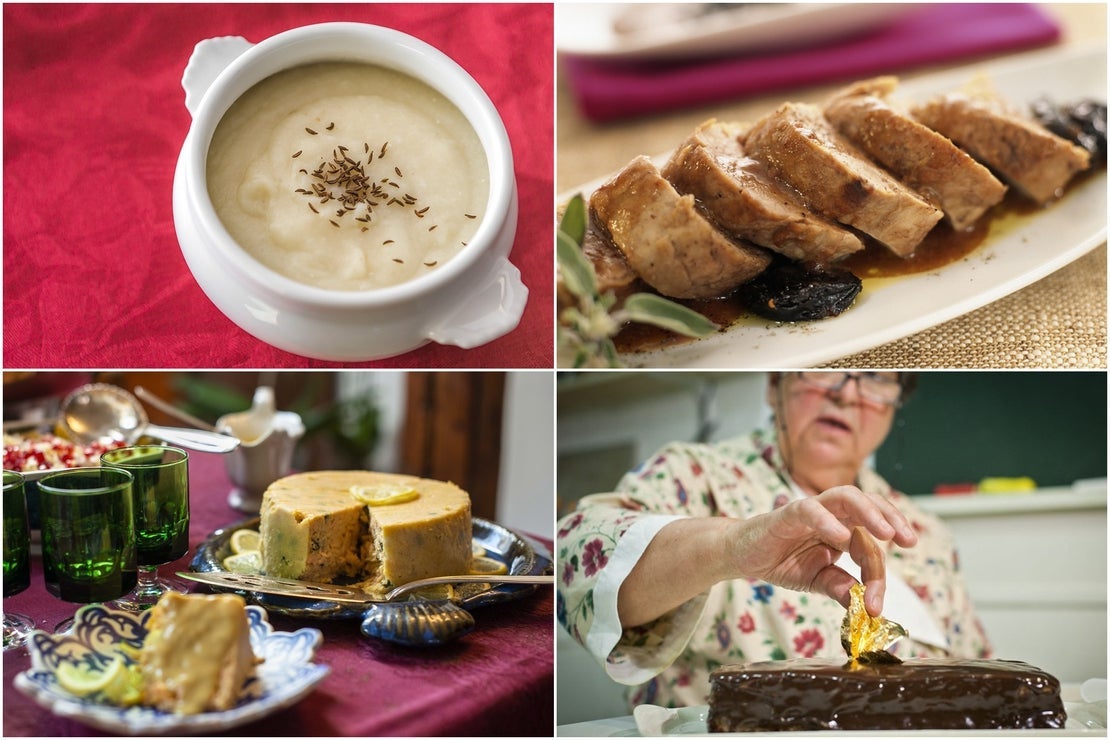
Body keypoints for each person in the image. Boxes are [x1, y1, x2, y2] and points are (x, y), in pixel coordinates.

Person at [556, 371, 991, 709]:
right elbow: (572, 556)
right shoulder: (696, 476)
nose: (846, 392)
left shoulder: (925, 531)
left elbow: (978, 675)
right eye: (822, 370)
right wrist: (731, 546)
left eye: (877, 378)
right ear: (772, 386)